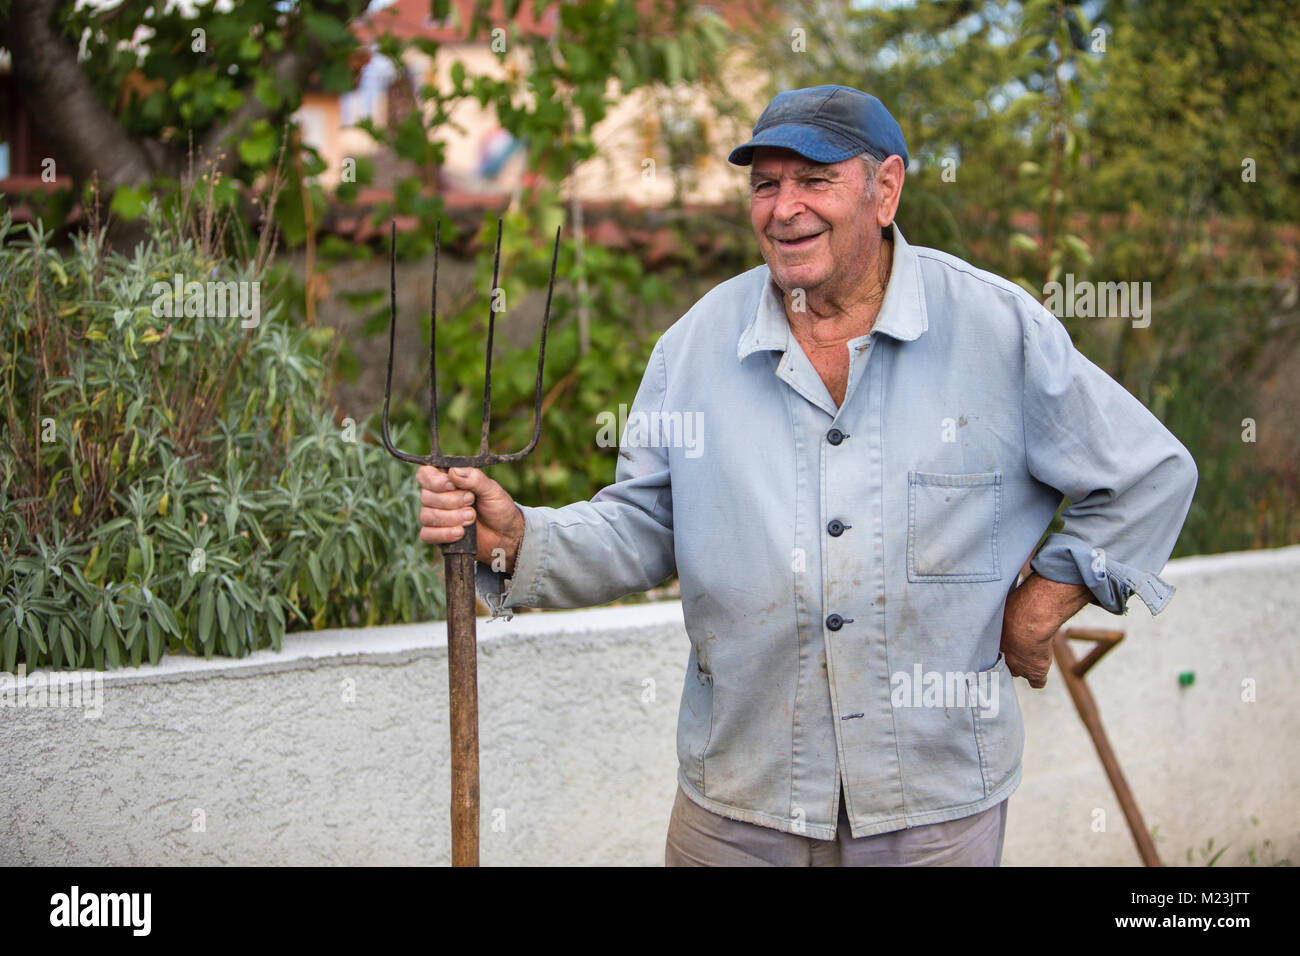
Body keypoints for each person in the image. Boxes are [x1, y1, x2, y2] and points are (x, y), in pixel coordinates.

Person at [415, 85, 1198, 866]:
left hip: (930, 803)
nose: (784, 208)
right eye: (765, 184)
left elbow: (1148, 475)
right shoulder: (694, 348)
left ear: (884, 189)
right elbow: (647, 525)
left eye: (815, 179)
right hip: (742, 796)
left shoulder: (995, 330)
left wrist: (1038, 608)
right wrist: (522, 538)